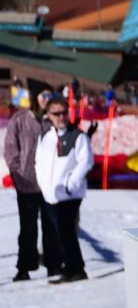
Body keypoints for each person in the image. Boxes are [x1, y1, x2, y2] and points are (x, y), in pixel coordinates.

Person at [34, 94, 93, 283]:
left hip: (69, 195)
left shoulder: (77, 136)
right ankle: (72, 266)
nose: (61, 117)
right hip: (51, 193)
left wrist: (70, 185)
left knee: (66, 231)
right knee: (59, 233)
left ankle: (74, 269)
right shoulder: (45, 136)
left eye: (64, 113)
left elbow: (86, 162)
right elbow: (39, 162)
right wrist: (43, 185)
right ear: (48, 115)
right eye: (56, 113)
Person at [4, 89, 47, 280]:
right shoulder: (20, 119)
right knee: (27, 227)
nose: (46, 100)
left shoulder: (53, 119)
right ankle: (25, 266)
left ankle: (53, 264)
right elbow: (10, 148)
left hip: (49, 183)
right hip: (27, 182)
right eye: (42, 95)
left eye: (49, 96)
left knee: (51, 226)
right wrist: (17, 172)